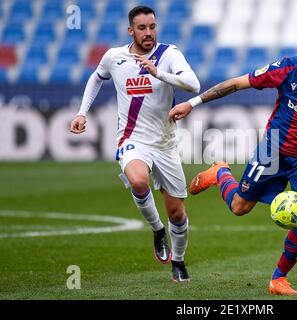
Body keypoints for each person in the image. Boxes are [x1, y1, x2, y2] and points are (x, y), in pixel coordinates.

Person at [168, 34, 297, 294]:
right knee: (239, 207)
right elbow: (236, 84)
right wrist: (192, 102)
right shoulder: (285, 69)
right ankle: (220, 172)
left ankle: (278, 278)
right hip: (273, 148)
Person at [70, 6, 200, 282]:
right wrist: (82, 113)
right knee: (139, 181)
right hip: (132, 139)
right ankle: (156, 230)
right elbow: (96, 78)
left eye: (152, 26)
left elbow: (193, 85)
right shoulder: (114, 57)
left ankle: (178, 260)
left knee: (177, 213)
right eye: (142, 28)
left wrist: (158, 73)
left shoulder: (169, 54)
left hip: (165, 143)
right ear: (131, 30)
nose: (149, 32)